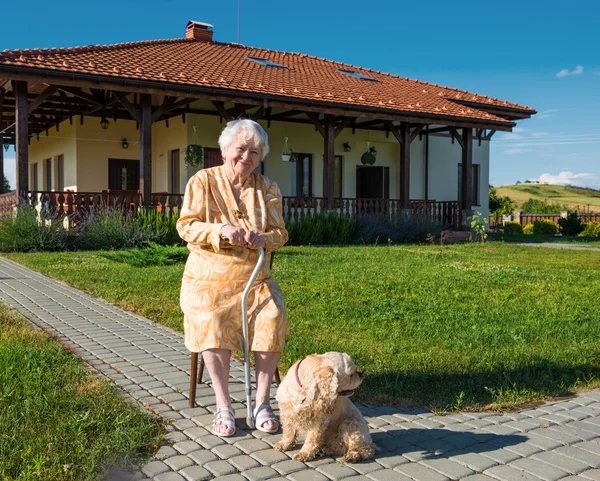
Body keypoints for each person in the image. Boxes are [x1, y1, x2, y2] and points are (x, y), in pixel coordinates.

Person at [177, 119, 288, 437]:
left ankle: (262, 402)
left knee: (274, 313)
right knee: (212, 315)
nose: (246, 156)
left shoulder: (267, 188)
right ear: (225, 151)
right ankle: (224, 405)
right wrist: (221, 230)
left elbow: (280, 234)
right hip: (207, 278)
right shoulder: (202, 181)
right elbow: (186, 226)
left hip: (254, 280)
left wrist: (263, 239)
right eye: (241, 148)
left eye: (254, 151)